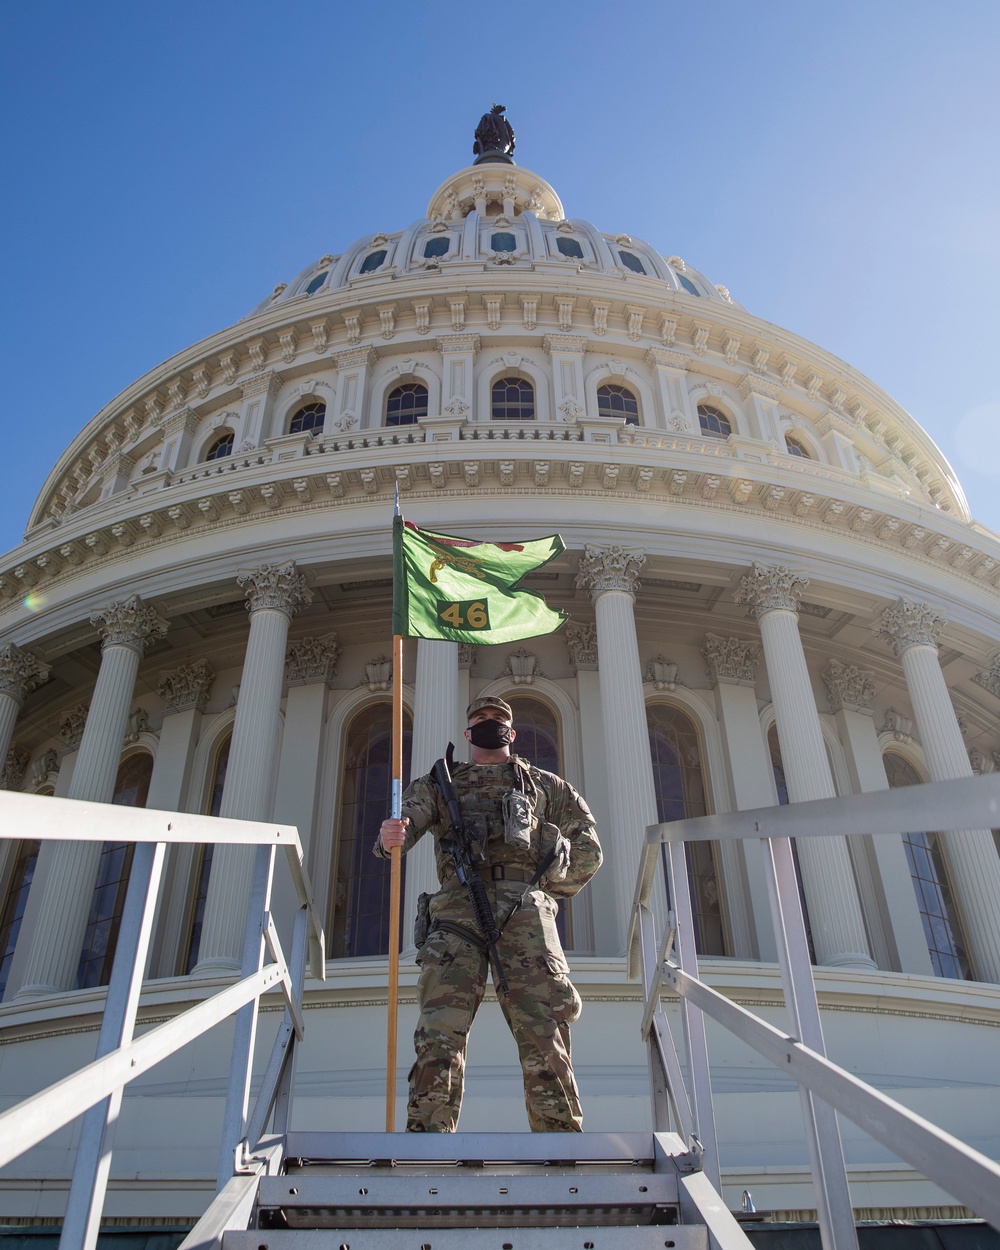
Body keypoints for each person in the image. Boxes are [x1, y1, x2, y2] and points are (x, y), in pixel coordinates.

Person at [377, 696, 602, 1133]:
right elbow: (405, 825)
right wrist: (390, 835)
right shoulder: (441, 783)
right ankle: (428, 1144)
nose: (490, 724)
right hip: (458, 911)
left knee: (544, 1031)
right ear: (467, 733)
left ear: (511, 733)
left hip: (525, 914)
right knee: (439, 1034)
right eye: (481, 719)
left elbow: (589, 849)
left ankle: (560, 1147)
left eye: (499, 720)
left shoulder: (545, 786)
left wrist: (546, 888)